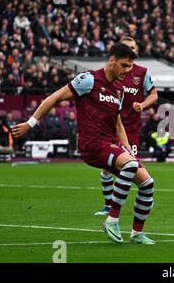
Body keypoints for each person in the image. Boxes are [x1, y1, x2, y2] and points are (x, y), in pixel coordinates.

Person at [12, 43, 155, 244]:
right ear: (111, 60)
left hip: (110, 143)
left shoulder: (120, 90)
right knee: (130, 166)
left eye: (130, 67)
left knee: (147, 183)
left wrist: (130, 151)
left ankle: (137, 234)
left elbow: (118, 124)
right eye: (124, 65)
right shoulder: (89, 79)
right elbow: (55, 97)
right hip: (93, 144)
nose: (127, 71)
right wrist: (30, 123)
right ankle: (112, 220)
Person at [95, 37, 158, 218]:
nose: (131, 51)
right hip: (110, 126)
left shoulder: (142, 73)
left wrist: (143, 105)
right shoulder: (113, 71)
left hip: (130, 129)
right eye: (128, 48)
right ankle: (108, 205)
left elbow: (154, 94)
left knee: (133, 166)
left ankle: (145, 192)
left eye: (133, 48)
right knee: (107, 167)